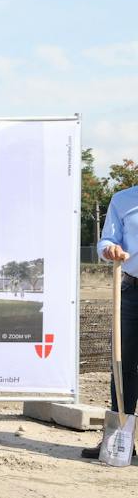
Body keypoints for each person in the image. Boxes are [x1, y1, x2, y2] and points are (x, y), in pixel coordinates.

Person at [84, 184, 138, 459]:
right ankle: (118, 440)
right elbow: (106, 241)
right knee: (122, 365)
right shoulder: (123, 200)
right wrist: (110, 250)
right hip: (131, 291)